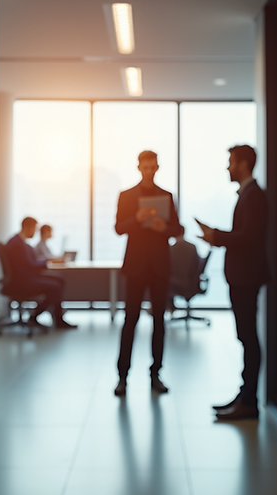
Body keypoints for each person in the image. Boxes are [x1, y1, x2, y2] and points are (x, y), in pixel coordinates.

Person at [198, 144, 269, 420]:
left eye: (231, 162)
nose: (228, 168)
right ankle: (245, 396)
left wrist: (217, 237)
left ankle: (248, 402)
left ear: (243, 165)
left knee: (248, 338)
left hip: (246, 276)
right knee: (245, 337)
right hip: (242, 276)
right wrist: (216, 236)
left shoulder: (253, 196)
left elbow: (249, 238)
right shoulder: (249, 195)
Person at [113, 150, 182, 397]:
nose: (149, 171)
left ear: (157, 168)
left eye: (152, 167)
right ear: (139, 167)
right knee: (130, 320)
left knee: (159, 321)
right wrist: (136, 219)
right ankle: (122, 377)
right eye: (145, 167)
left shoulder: (166, 196)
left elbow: (178, 228)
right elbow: (119, 228)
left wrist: (165, 227)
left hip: (159, 266)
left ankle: (156, 374)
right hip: (136, 266)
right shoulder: (127, 196)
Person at [3, 217, 76, 329]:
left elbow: (29, 263)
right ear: (28, 227)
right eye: (35, 229)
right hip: (22, 282)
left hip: (26, 277)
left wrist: (46, 263)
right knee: (55, 287)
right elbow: (29, 264)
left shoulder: (21, 242)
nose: (36, 232)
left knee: (59, 279)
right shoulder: (17, 244)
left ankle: (58, 317)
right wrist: (48, 261)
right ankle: (35, 315)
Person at [167, 225, 201, 307]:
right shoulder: (192, 247)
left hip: (177, 283)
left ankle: (163, 307)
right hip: (191, 283)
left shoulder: (171, 249)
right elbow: (197, 265)